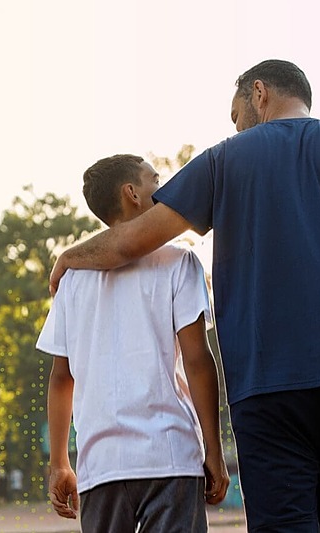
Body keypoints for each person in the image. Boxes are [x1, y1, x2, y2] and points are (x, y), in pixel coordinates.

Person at [48, 60, 320, 532]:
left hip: (266, 385)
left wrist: (70, 255)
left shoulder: (222, 160)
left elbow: (130, 242)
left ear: (258, 94)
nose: (235, 127)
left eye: (235, 115)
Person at [37, 154, 229, 532]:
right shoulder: (180, 262)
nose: (164, 188)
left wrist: (60, 461)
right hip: (170, 457)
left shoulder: (71, 281)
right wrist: (214, 448)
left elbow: (62, 378)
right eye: (154, 180)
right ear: (133, 193)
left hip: (101, 464)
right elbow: (197, 361)